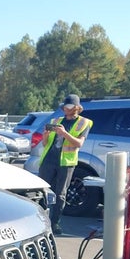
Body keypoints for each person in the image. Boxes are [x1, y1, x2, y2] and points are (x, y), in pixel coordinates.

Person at [38, 94, 93, 235]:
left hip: (66, 163)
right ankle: (38, 220)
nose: (65, 109)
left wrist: (64, 133)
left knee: (60, 194)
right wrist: (45, 136)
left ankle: (55, 223)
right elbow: (45, 144)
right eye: (64, 106)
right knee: (41, 191)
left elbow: (79, 143)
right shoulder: (56, 120)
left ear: (76, 108)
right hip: (49, 160)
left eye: (68, 106)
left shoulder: (84, 123)